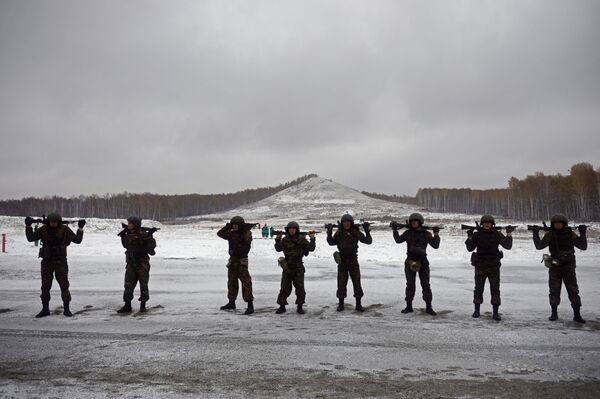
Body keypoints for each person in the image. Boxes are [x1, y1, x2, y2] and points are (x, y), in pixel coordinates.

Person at [25, 213, 85, 318]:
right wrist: (28, 226)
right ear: (48, 221)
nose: (53, 224)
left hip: (60, 262)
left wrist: (80, 229)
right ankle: (45, 309)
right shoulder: (43, 229)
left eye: (55, 222)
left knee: (64, 286)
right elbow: (31, 238)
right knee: (45, 287)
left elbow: (77, 240)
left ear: (59, 221)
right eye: (51, 222)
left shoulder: (64, 229)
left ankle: (66, 309)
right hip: (47, 262)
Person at [532, 214, 587, 323]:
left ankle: (577, 314)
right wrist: (535, 234)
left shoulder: (570, 234)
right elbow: (539, 246)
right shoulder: (550, 234)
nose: (557, 225)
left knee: (573, 291)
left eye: (559, 223)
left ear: (564, 224)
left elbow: (583, 246)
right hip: (554, 266)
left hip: (568, 267)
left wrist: (583, 233)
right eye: (555, 223)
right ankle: (554, 313)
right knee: (554, 291)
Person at [465, 215, 513, 321]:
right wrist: (469, 236)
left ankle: (495, 312)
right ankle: (476, 310)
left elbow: (507, 246)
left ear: (492, 224)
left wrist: (509, 234)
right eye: (485, 223)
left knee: (495, 289)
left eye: (489, 223)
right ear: (482, 224)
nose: (487, 224)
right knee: (478, 289)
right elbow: (470, 248)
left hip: (493, 266)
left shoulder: (497, 234)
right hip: (480, 266)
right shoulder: (477, 235)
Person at [393, 213, 440, 315]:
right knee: (410, 285)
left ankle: (429, 307)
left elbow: (435, 245)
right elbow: (398, 240)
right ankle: (409, 306)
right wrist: (394, 230)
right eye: (412, 221)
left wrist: (436, 234)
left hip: (422, 262)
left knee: (426, 285)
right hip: (411, 262)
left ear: (420, 222)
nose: (414, 223)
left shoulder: (426, 233)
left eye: (416, 221)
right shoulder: (408, 233)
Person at [327, 214, 372, 312]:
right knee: (341, 283)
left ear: (351, 223)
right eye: (344, 222)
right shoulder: (339, 233)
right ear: (342, 223)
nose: (346, 224)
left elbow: (368, 241)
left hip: (353, 260)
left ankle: (358, 304)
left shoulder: (355, 232)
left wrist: (367, 230)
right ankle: (341, 304)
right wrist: (329, 232)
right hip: (342, 261)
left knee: (356, 282)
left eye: (348, 222)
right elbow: (331, 242)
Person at [117, 217, 157, 313]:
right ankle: (127, 305)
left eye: (130, 223)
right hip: (131, 263)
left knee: (143, 284)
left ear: (135, 224)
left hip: (142, 263)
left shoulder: (143, 233)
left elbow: (151, 248)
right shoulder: (129, 233)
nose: (128, 224)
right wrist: (123, 236)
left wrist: (150, 235)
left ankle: (143, 305)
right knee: (128, 284)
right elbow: (126, 245)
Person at [274, 222, 316, 314]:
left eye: (294, 229)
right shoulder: (285, 240)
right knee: (284, 287)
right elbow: (278, 249)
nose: (292, 230)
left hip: (298, 268)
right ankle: (282, 306)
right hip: (287, 267)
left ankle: (300, 306)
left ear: (296, 230)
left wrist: (312, 239)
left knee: (300, 288)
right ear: (287, 230)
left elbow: (311, 248)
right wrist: (277, 240)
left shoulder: (301, 239)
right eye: (290, 229)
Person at [217, 216, 255, 315]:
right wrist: (228, 226)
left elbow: (246, 247)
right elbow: (220, 233)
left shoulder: (246, 233)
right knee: (231, 282)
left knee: (246, 283)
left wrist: (244, 230)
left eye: (236, 225)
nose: (235, 227)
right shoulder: (231, 233)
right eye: (233, 225)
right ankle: (231, 302)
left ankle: (250, 305)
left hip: (241, 261)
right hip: (233, 261)